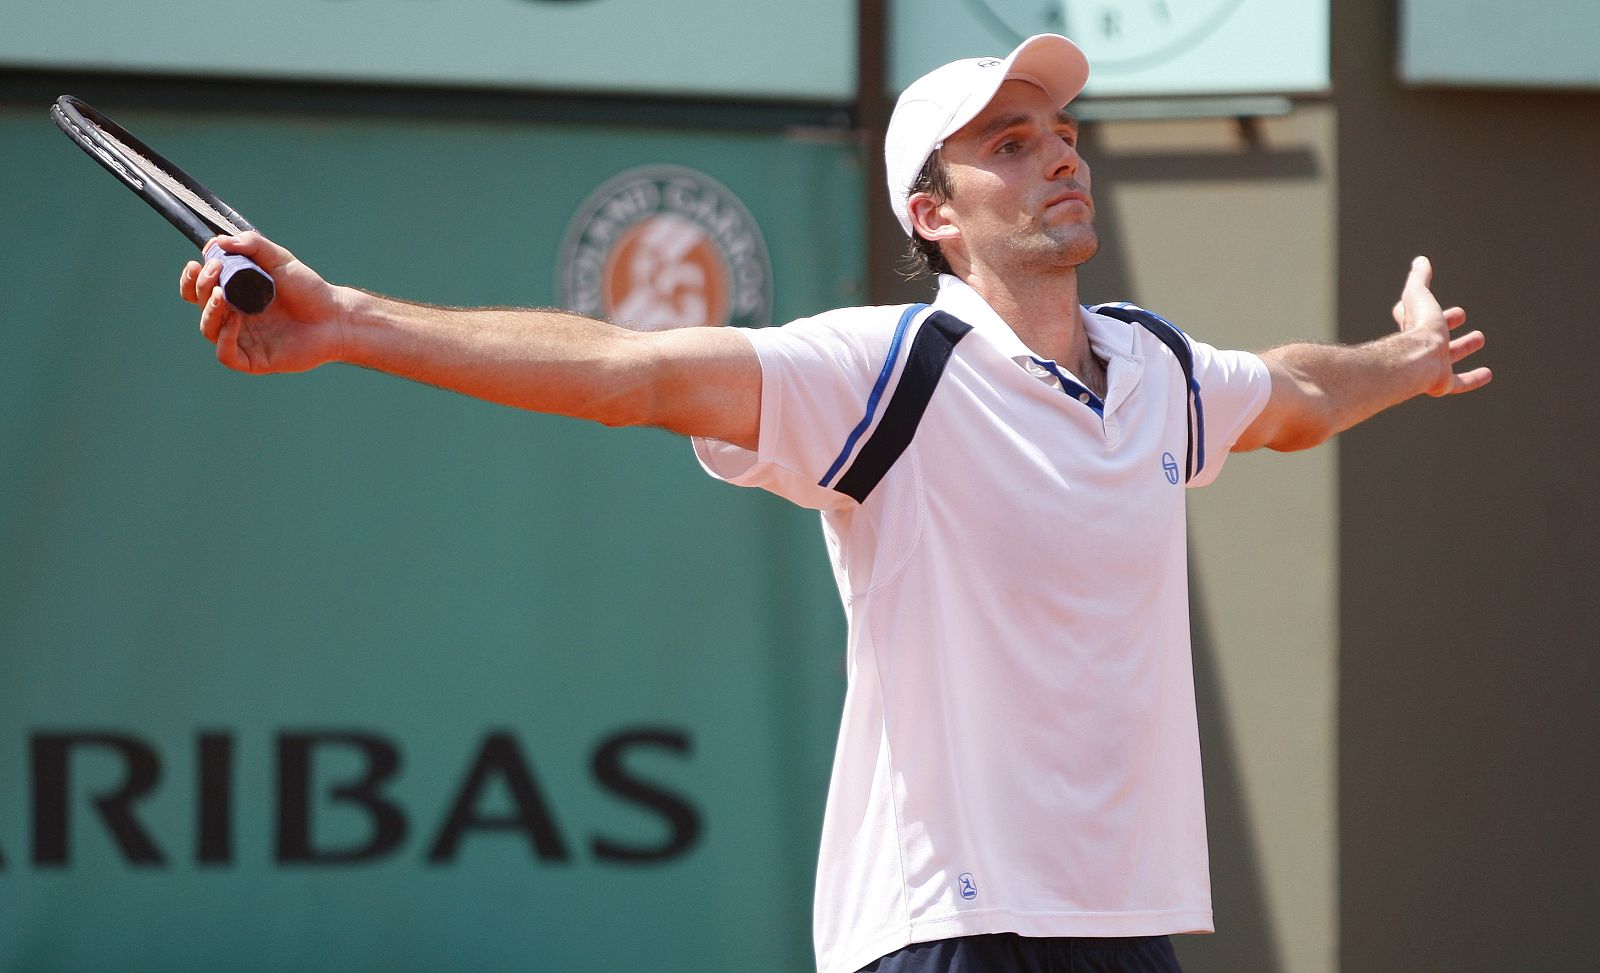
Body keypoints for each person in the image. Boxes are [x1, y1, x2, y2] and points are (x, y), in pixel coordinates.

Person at [179, 33, 1489, 973]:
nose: (1059, 162)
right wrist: (350, 320)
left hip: (1124, 924)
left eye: (1064, 139)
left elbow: (1296, 398)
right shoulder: (885, 368)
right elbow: (634, 373)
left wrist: (1409, 362)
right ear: (936, 211)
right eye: (1011, 145)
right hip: (944, 929)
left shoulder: (1156, 368)